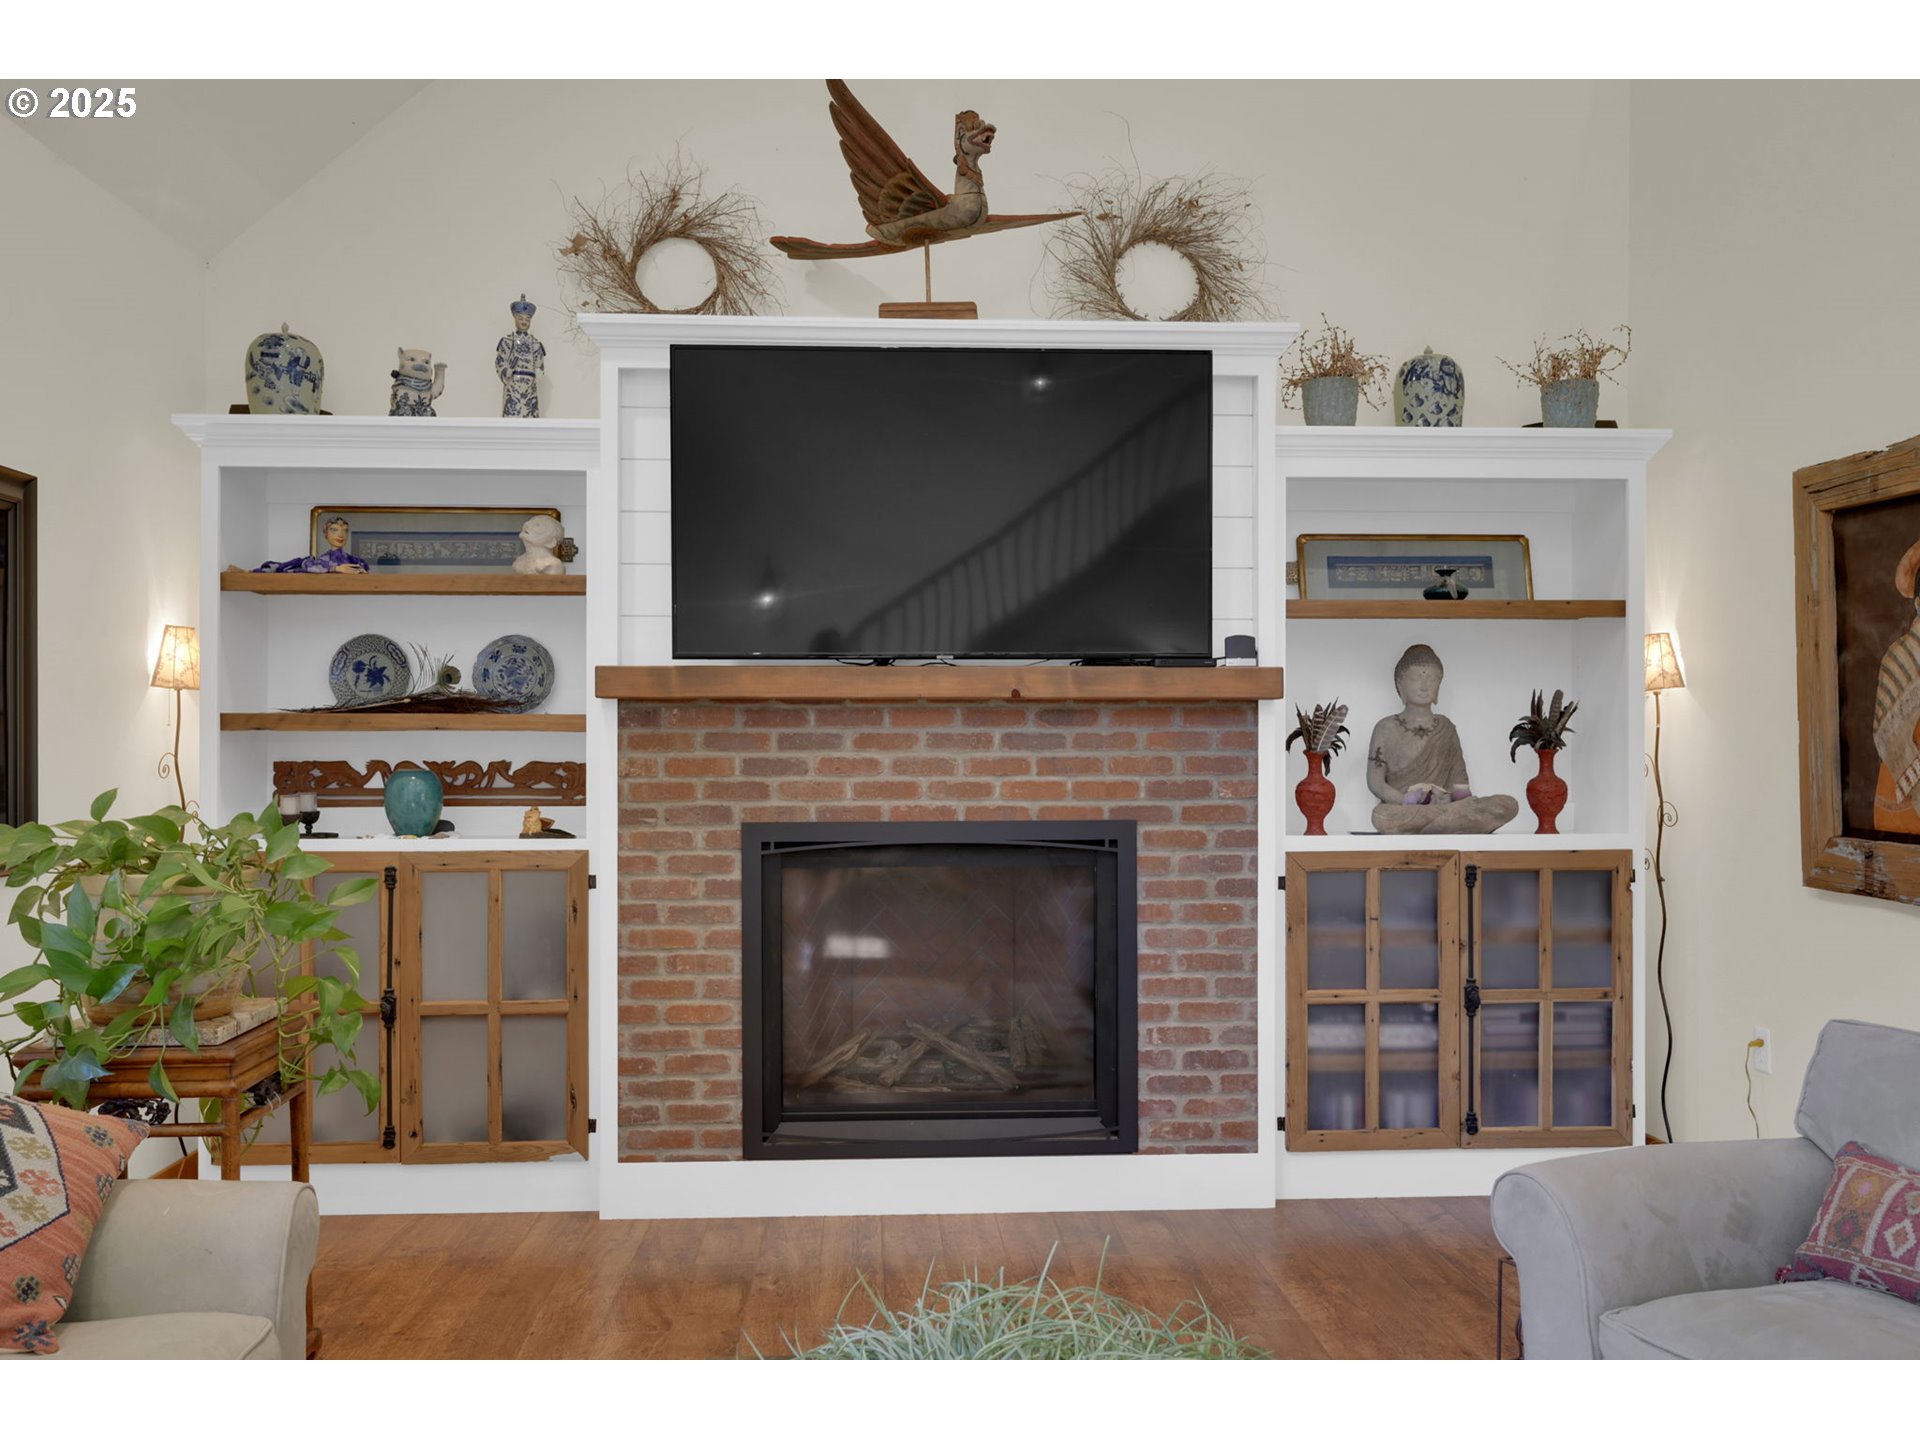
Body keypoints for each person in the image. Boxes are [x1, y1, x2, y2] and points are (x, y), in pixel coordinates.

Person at [1365, 643, 1517, 835]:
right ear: (1399, 684)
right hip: (1405, 809)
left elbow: (1460, 783)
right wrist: (1407, 800)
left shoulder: (1446, 728)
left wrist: (1453, 799)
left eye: (1432, 678)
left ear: (1439, 685)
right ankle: (1449, 824)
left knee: (1507, 804)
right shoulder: (1385, 728)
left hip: (1446, 806)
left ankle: (1439, 823)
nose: (1424, 685)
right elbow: (1375, 782)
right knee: (1381, 815)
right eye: (1415, 678)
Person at [253, 515, 367, 574]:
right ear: (326, 534)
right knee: (284, 568)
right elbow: (309, 566)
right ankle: (251, 572)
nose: (341, 535)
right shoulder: (320, 561)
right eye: (334, 530)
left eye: (344, 530)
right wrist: (335, 568)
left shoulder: (354, 560)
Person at [497, 294, 545, 419]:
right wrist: (506, 370)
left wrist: (539, 369)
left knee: (530, 415)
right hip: (513, 384)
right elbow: (500, 360)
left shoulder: (535, 343)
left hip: (530, 385)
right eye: (520, 318)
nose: (524, 322)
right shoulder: (508, 340)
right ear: (515, 318)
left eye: (527, 319)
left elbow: (539, 364)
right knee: (512, 415)